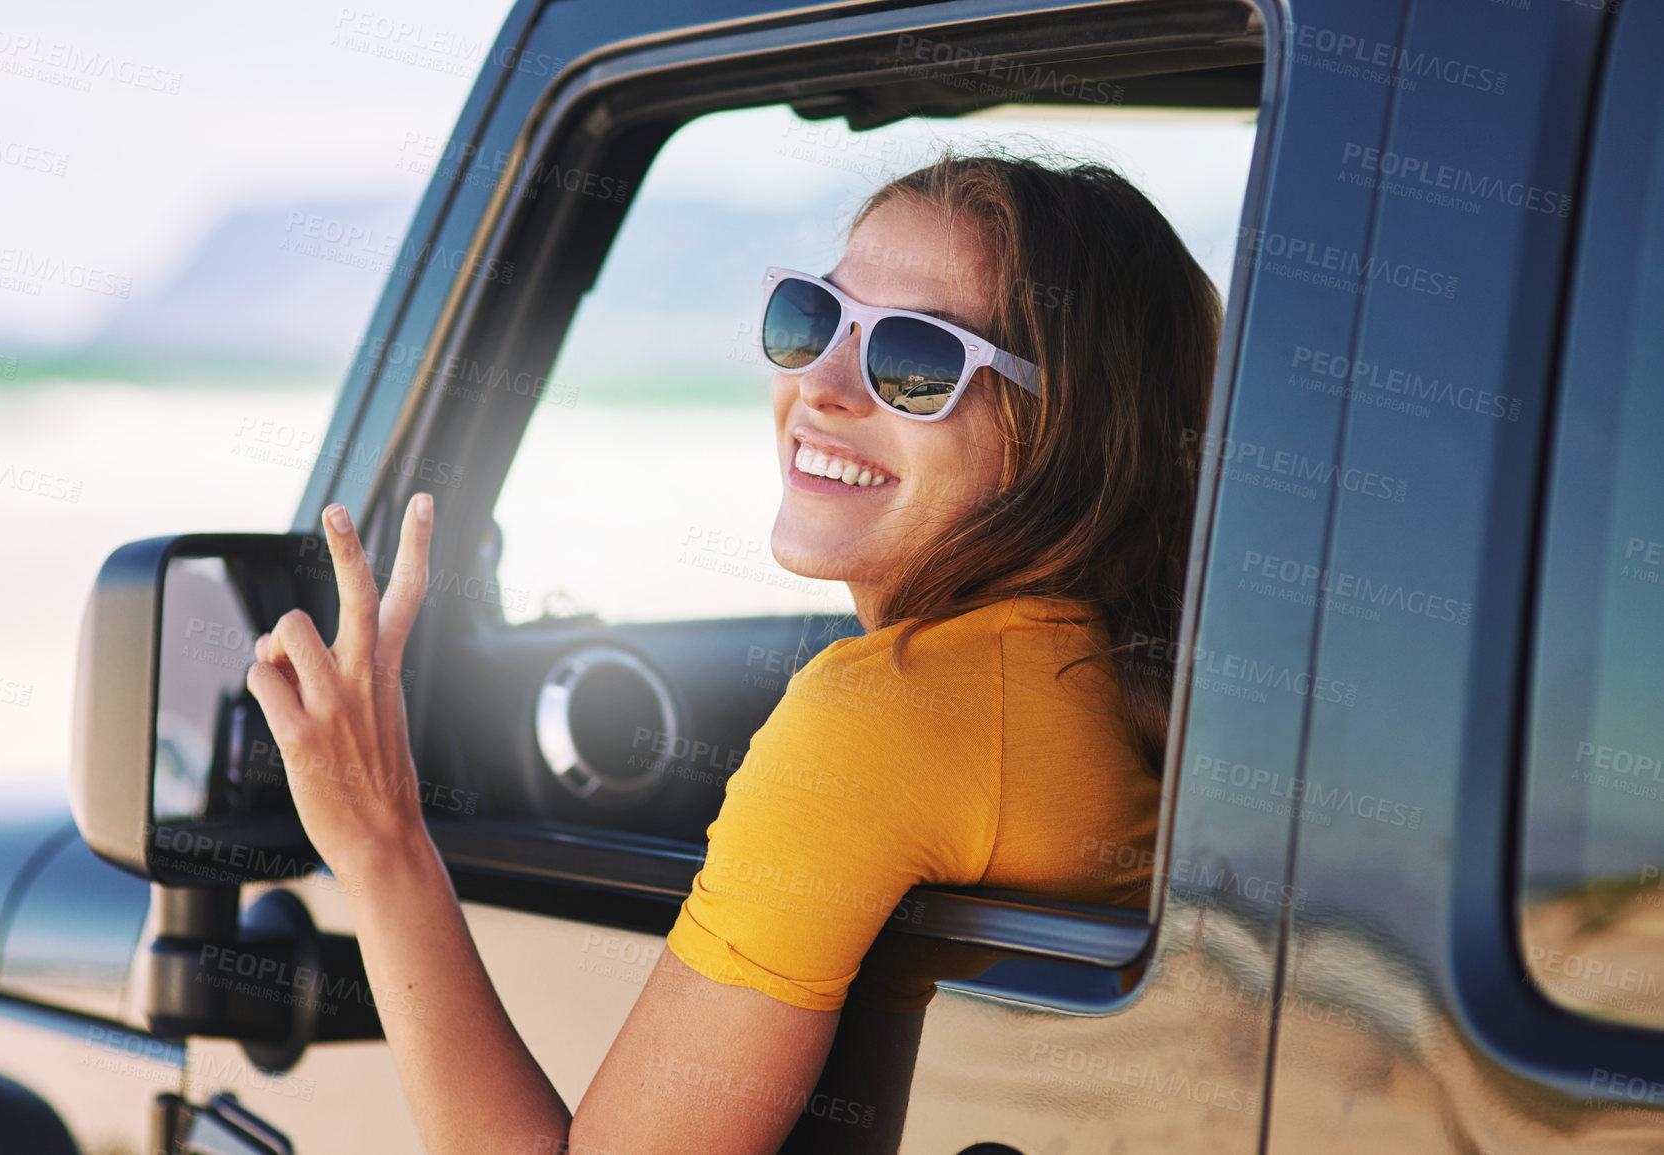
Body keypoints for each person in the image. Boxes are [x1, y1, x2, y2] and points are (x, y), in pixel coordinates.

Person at [246, 151, 1222, 1154]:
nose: (823, 388)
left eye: (916, 361)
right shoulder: (1119, 675)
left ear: (1067, 437)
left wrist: (381, 845)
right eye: (811, 321)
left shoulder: (888, 713)